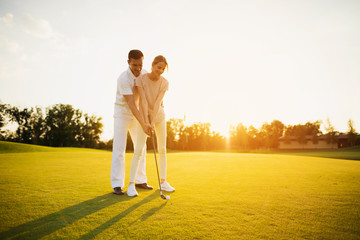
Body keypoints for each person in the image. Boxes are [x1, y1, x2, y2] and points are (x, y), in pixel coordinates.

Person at [127, 55, 175, 197]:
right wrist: (146, 123)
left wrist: (152, 122)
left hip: (159, 118)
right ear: (152, 65)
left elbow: (157, 103)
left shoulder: (165, 83)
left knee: (162, 149)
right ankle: (131, 185)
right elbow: (143, 102)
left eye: (163, 69)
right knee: (139, 150)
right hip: (143, 118)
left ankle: (163, 182)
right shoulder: (141, 80)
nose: (160, 71)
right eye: (158, 67)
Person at [111, 49, 153, 195]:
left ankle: (141, 180)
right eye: (135, 65)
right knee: (119, 148)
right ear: (128, 62)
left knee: (140, 147)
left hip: (138, 115)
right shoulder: (123, 78)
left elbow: (148, 95)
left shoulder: (145, 73)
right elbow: (131, 104)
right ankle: (117, 184)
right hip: (122, 114)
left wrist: (148, 118)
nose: (138, 68)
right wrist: (144, 123)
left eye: (140, 64)